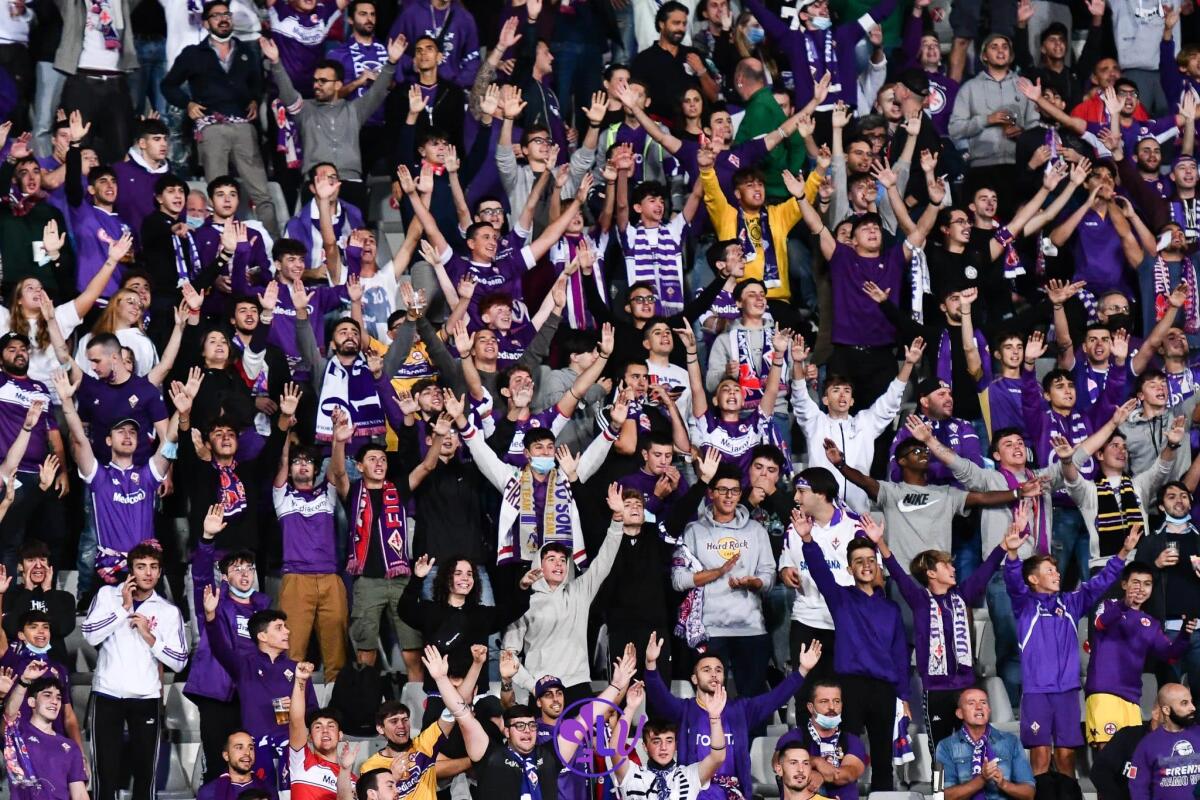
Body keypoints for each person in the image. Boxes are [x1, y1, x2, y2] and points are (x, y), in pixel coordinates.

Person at [1004, 514, 1140, 776]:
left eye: (1056, 569)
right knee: (1041, 759)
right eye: (1049, 571)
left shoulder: (1070, 603)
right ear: (1033, 579)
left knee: (1067, 759)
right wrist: (1012, 553)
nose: (1056, 574)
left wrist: (1123, 552)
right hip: (1037, 692)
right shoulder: (1025, 605)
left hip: (1067, 691)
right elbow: (1012, 583)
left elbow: (1098, 584)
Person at [868, 510, 1018, 748]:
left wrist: (1003, 546)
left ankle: (971, 785)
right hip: (936, 690)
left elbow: (985, 571)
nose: (953, 568)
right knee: (939, 749)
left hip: (966, 686)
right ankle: (940, 788)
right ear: (930, 573)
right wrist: (880, 543)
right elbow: (897, 572)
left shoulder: (963, 594)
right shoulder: (919, 600)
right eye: (946, 564)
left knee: (972, 746)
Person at [796, 513, 908, 792]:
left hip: (884, 689)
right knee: (846, 754)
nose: (866, 565)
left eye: (870, 560)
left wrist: (904, 697)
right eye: (858, 561)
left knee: (883, 758)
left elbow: (900, 657)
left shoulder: (891, 609)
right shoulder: (842, 598)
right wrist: (808, 539)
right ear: (849, 569)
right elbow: (820, 572)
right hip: (850, 687)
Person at [645, 631, 822, 799]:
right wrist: (651, 665)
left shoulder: (741, 710)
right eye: (706, 669)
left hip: (732, 792)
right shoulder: (685, 710)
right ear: (694, 678)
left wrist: (802, 672)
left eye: (718, 670)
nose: (713, 674)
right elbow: (660, 698)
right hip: (694, 792)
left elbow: (775, 698)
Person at [159, 1, 280, 237]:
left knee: (262, 194)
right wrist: (188, 104)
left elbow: (257, 83)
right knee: (217, 192)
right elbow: (168, 85)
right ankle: (220, 247)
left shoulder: (246, 51)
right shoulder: (193, 54)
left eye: (226, 14)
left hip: (243, 127)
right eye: (216, 16)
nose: (223, 19)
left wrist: (254, 99)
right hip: (211, 127)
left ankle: (274, 250)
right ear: (206, 23)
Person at [500, 480, 625, 703]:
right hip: (543, 688)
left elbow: (604, 561)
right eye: (551, 559)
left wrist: (617, 520)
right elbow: (509, 655)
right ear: (538, 563)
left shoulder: (579, 592)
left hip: (578, 686)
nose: (559, 564)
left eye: (562, 560)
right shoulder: (523, 602)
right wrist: (533, 686)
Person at [83, 541, 189, 800]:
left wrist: (150, 636)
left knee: (145, 775)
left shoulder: (168, 612)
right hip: (107, 696)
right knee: (105, 774)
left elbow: (179, 661)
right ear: (130, 571)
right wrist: (123, 609)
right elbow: (89, 635)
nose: (148, 573)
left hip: (146, 700)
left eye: (154, 567)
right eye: (141, 567)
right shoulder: (108, 596)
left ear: (160, 572)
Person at [259, 33, 402, 209]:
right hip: (315, 183)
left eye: (323, 81)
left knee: (357, 236)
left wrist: (392, 62)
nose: (316, 85)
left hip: (351, 183)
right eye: (315, 81)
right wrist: (276, 63)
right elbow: (287, 94)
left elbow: (377, 92)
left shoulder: (354, 110)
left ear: (338, 85)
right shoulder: (304, 110)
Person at [793, 335, 921, 512]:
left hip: (858, 513)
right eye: (836, 390)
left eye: (847, 391)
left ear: (852, 401)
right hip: (821, 512)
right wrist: (798, 363)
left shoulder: (864, 423)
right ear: (825, 399)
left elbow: (891, 400)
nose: (842, 395)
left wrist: (908, 364)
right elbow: (800, 397)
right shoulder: (816, 422)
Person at [1085, 562, 1194, 749]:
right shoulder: (1109, 606)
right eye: (1136, 582)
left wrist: (1185, 634)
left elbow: (1170, 656)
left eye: (1147, 584)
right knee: (1107, 755)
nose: (1141, 588)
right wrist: (1124, 605)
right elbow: (1100, 624)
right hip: (1104, 693)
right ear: (1124, 585)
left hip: (1133, 698)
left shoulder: (1150, 623)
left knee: (1130, 761)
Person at [612, 680, 730, 800]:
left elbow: (718, 757)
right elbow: (615, 749)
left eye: (669, 741)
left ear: (676, 745)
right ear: (645, 746)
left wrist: (715, 719)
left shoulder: (690, 775)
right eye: (656, 741)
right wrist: (630, 707)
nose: (663, 747)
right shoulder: (631, 774)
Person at [3, 660, 89, 800]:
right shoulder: (19, 735)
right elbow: (9, 716)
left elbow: (79, 794)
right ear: (32, 702)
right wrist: (24, 681)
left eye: (58, 698)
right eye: (47, 695)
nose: (54, 701)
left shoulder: (71, 748)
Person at [935, 687, 1036, 800]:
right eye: (971, 703)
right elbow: (939, 795)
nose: (979, 707)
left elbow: (1029, 793)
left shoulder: (1012, 741)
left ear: (989, 710)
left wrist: (1003, 784)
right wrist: (982, 779)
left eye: (983, 702)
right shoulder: (943, 746)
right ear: (960, 713)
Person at [790, 682, 867, 800]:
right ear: (811, 707)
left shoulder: (852, 741)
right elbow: (781, 763)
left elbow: (845, 775)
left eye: (836, 701)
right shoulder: (794, 737)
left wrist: (818, 774)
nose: (832, 707)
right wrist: (816, 761)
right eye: (824, 701)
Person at [1129, 684, 1200, 800]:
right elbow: (1138, 789)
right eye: (1184, 703)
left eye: (1191, 702)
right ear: (1166, 710)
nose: (1193, 707)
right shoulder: (1147, 744)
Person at [287, 662, 346, 800]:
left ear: (340, 735)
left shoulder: (351, 778)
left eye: (331, 726)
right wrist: (301, 681)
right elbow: (296, 722)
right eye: (318, 727)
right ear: (309, 738)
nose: (325, 730)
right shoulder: (301, 761)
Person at [196, 731, 276, 800]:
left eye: (251, 748)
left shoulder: (269, 790)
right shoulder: (208, 793)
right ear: (226, 756)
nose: (247, 753)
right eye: (239, 748)